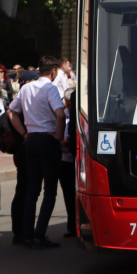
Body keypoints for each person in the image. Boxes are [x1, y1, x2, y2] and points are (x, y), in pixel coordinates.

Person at [10, 55, 67, 249]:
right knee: (49, 189)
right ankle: (39, 233)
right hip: (47, 139)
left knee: (32, 189)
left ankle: (26, 233)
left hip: (31, 139)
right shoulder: (50, 88)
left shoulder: (26, 88)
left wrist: (24, 133)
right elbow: (60, 113)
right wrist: (59, 135)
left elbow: (11, 111)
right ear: (53, 72)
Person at [58, 89, 78, 239]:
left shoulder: (78, 115)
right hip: (65, 161)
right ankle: (72, 226)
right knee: (69, 195)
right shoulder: (62, 115)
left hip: (77, 160)